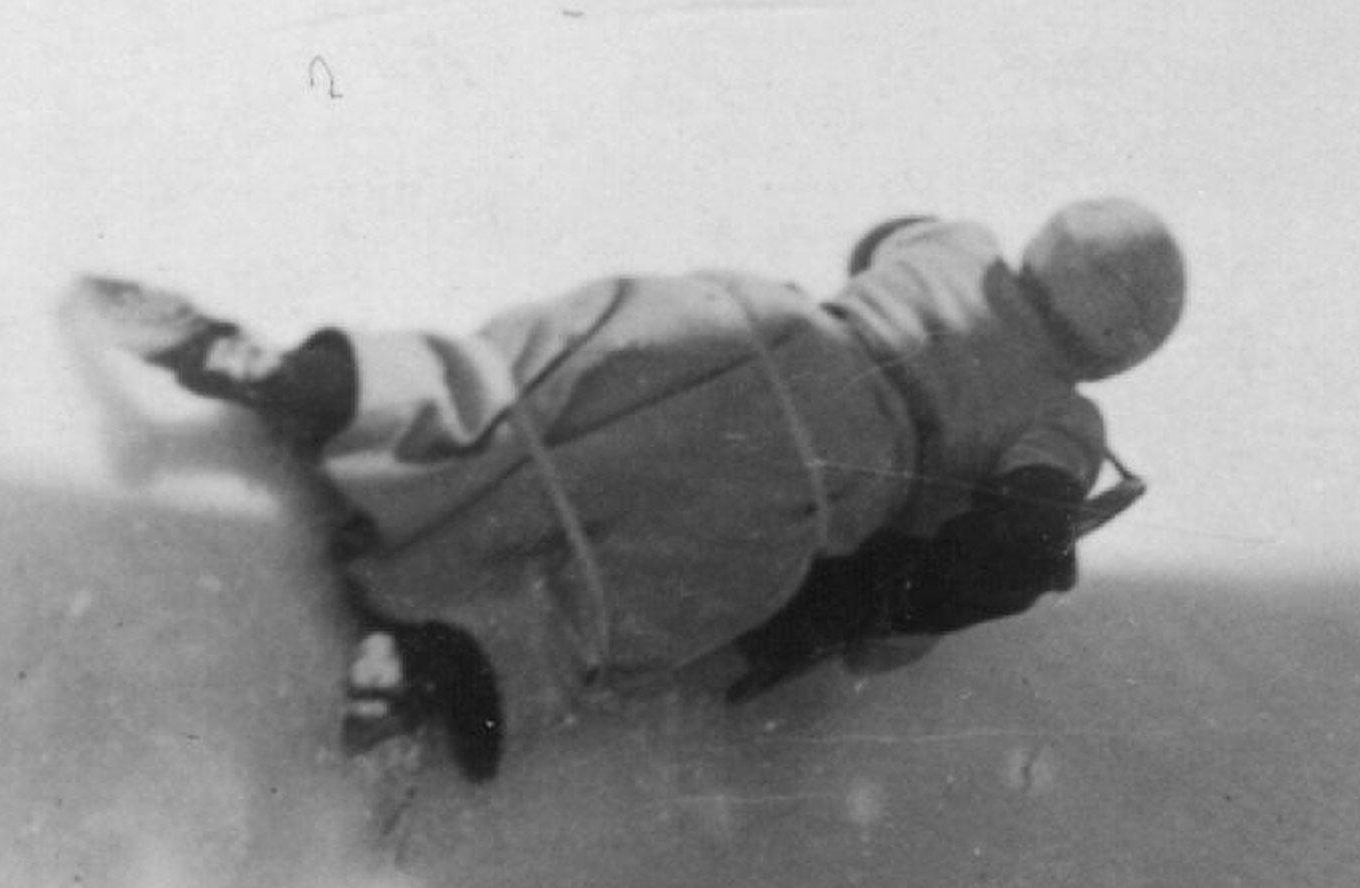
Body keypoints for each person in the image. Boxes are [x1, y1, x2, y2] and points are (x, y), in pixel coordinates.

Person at [73, 198, 1186, 782]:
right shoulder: (1064, 417)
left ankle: (310, 382)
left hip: (733, 319)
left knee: (511, 393)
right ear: (1120, 355)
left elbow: (883, 234)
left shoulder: (961, 242)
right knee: (630, 605)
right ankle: (434, 667)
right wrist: (983, 557)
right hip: (820, 459)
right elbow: (1016, 537)